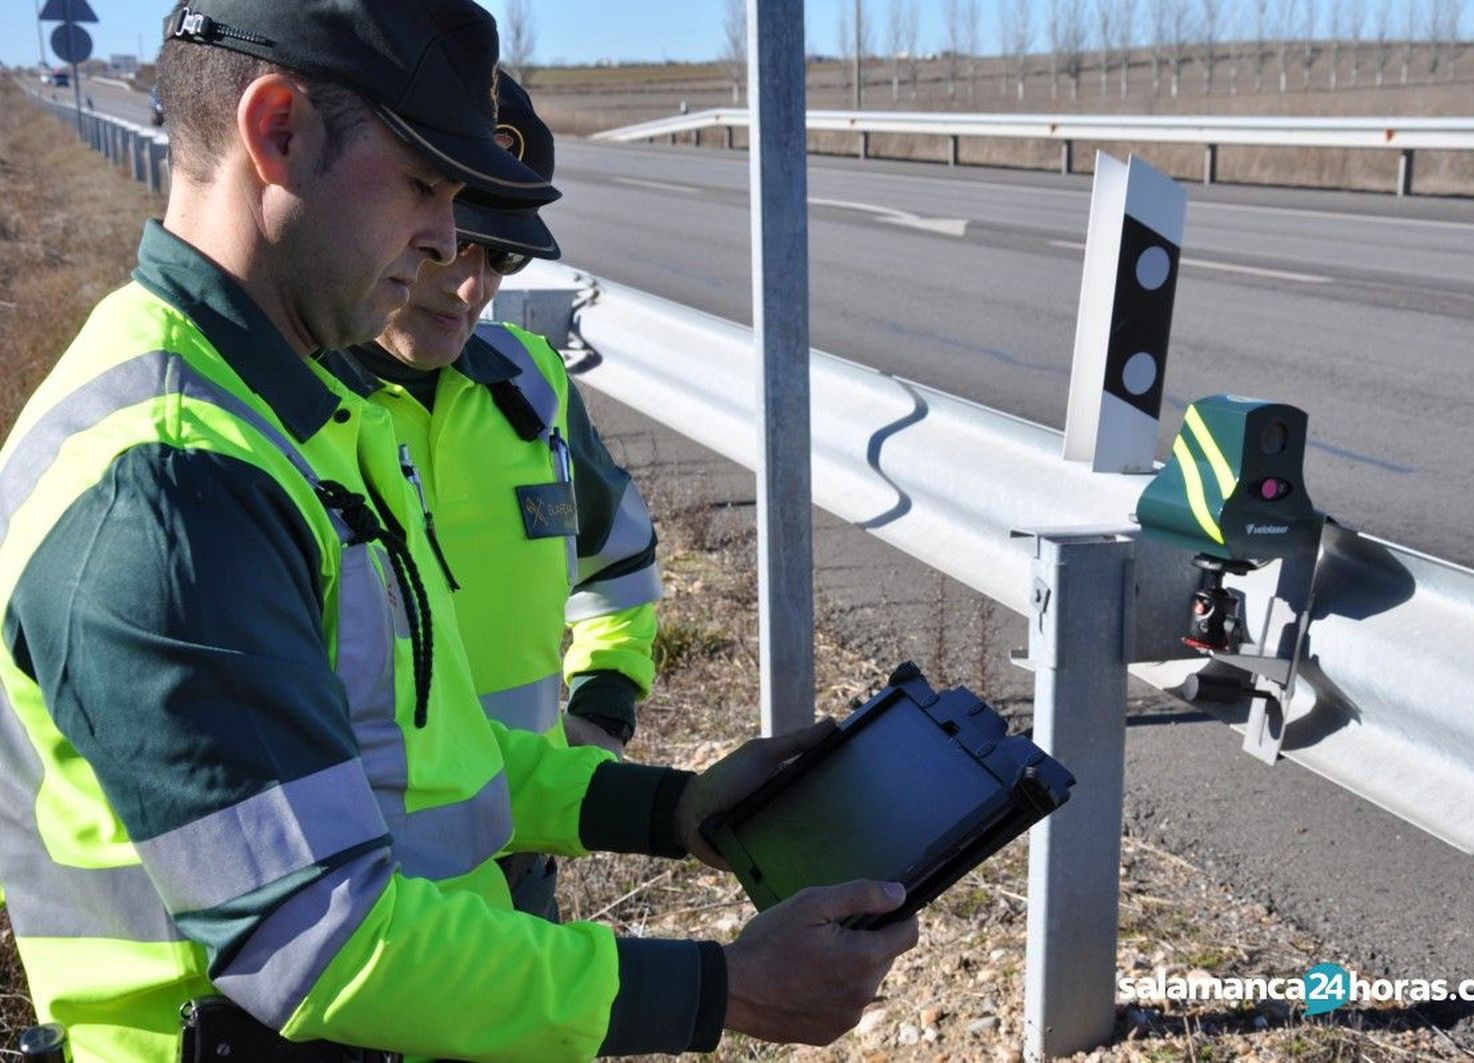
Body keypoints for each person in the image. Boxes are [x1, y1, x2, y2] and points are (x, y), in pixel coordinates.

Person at [0, 2, 917, 1061]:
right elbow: (321, 940)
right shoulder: (172, 481)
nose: (448, 241)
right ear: (277, 131)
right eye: (424, 183)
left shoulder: (312, 415)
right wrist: (724, 989)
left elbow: (433, 768)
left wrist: (676, 810)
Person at [321, 71, 655, 921]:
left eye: (501, 256)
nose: (470, 285)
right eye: (447, 243)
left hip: (522, 861)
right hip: (367, 903)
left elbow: (617, 560)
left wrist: (605, 711)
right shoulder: (285, 406)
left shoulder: (531, 385)